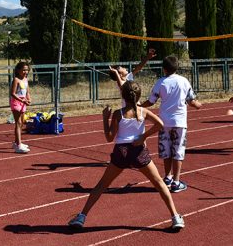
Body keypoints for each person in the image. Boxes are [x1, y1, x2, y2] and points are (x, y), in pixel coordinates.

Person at [68, 81, 185, 230]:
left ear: (123, 96)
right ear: (138, 96)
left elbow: (109, 138)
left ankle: (81, 217)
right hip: (139, 152)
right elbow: (161, 124)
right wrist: (144, 136)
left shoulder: (118, 114)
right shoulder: (144, 111)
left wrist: (105, 118)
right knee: (160, 184)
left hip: (121, 152)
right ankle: (175, 217)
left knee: (102, 185)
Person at [142, 55, 202, 193]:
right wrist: (198, 105)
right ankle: (176, 181)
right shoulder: (184, 81)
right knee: (178, 151)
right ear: (177, 67)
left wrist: (139, 106)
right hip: (179, 122)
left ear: (164, 69)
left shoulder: (160, 82)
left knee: (166, 150)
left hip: (163, 122)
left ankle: (168, 177)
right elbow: (191, 101)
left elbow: (151, 101)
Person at [10, 61, 32, 153]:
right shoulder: (16, 80)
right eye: (23, 70)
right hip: (16, 103)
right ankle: (18, 146)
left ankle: (16, 142)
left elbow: (27, 92)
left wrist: (29, 99)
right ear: (18, 70)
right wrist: (22, 100)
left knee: (22, 122)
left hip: (23, 103)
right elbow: (13, 93)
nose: (25, 72)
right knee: (18, 123)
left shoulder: (26, 80)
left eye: (27, 70)